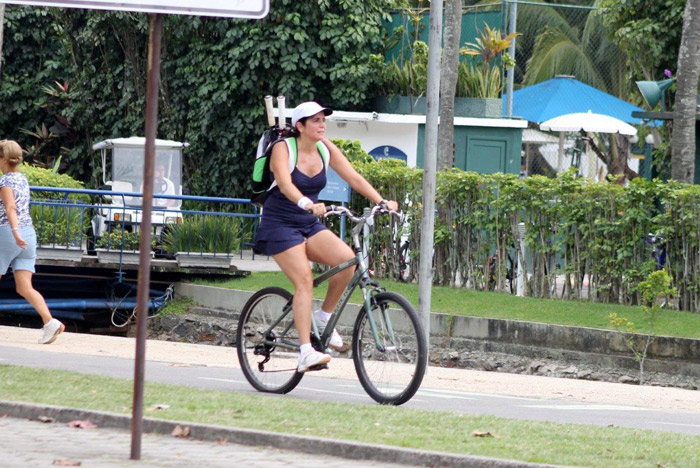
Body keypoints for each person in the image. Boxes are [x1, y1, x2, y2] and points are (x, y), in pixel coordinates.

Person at [253, 102, 399, 373]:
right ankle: (306, 351)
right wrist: (306, 203)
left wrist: (381, 201)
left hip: (308, 223)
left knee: (348, 261)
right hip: (280, 224)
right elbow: (285, 184)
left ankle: (323, 318)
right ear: (300, 126)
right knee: (304, 280)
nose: (322, 125)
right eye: (316, 121)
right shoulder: (283, 149)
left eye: (324, 120)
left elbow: (353, 177)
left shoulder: (325, 148)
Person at [0, 140, 64, 344]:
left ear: (2, 159)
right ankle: (49, 322)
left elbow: (10, 208)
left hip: (9, 233)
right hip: (29, 234)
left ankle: (49, 322)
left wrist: (15, 233)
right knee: (24, 287)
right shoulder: (22, 179)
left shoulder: (5, 182)